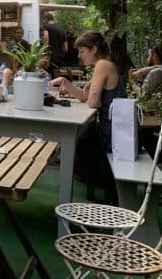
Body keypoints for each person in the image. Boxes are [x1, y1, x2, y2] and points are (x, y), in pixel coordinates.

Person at [49, 30, 125, 202]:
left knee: (79, 145)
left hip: (111, 132)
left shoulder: (102, 65)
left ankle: (92, 198)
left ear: (94, 49)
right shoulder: (106, 64)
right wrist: (65, 82)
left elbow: (93, 102)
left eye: (82, 51)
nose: (80, 56)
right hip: (113, 128)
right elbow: (84, 96)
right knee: (81, 142)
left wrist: (91, 95)